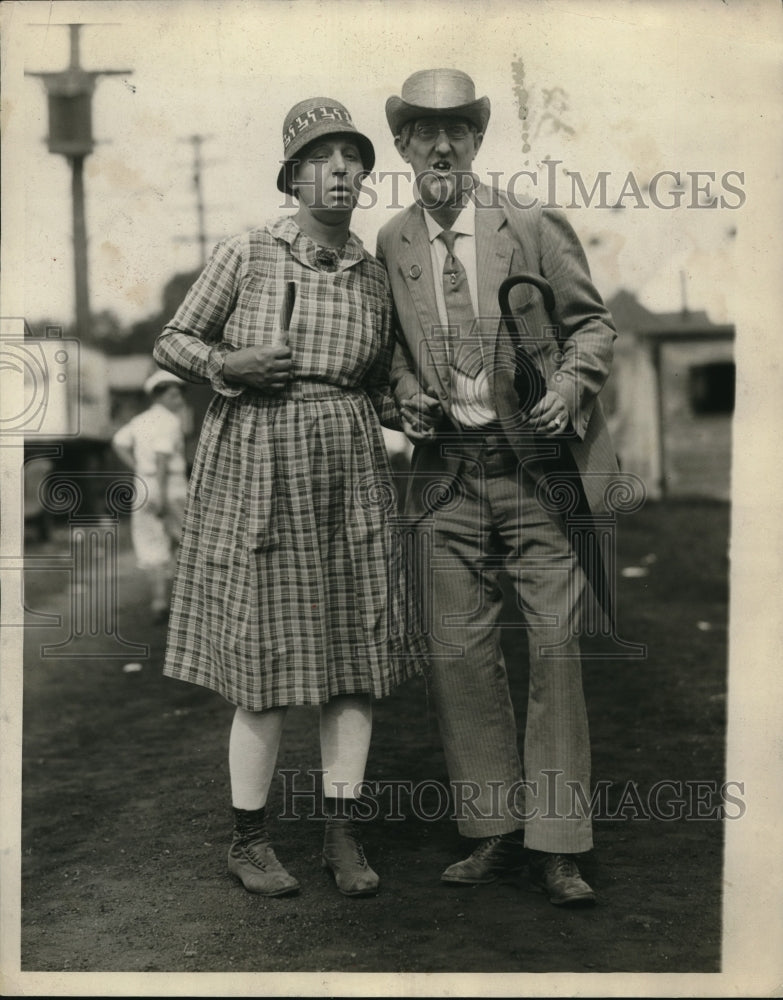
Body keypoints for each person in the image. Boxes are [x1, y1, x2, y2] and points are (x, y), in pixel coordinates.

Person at [152, 97, 426, 899]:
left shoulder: (374, 278)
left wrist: (408, 404)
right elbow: (173, 339)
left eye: (354, 162)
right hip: (259, 462)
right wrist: (225, 368)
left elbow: (378, 386)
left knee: (353, 661)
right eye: (324, 159)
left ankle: (342, 836)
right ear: (294, 174)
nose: (342, 173)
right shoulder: (246, 252)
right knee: (265, 662)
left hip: (350, 469)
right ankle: (249, 840)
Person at [376, 68, 620, 906]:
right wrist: (404, 393)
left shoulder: (528, 222)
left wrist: (568, 386)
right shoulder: (392, 243)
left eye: (457, 130)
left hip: (532, 473)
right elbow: (393, 353)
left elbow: (592, 323)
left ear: (478, 139)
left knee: (554, 649)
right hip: (444, 476)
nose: (440, 145)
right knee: (459, 656)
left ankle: (558, 842)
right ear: (403, 146)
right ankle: (494, 833)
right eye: (422, 131)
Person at [112, 369, 189, 622]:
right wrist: (164, 495)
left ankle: (159, 601)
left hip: (144, 484)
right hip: (169, 485)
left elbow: (118, 441)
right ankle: (186, 601)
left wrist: (137, 467)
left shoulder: (140, 420)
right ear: (161, 396)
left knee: (150, 542)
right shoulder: (170, 420)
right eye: (175, 394)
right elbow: (162, 456)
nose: (179, 400)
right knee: (184, 541)